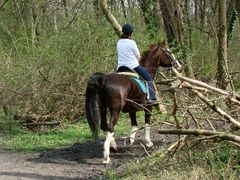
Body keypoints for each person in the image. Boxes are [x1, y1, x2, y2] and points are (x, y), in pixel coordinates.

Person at [116, 23, 158, 105]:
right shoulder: (132, 42)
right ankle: (152, 98)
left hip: (120, 67)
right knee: (149, 78)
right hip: (133, 66)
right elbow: (138, 56)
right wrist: (139, 63)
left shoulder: (118, 42)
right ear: (131, 33)